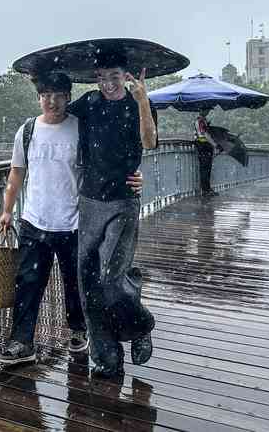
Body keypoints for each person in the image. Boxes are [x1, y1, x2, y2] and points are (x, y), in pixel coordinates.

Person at [0, 72, 143, 365]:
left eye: (58, 95)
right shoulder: (27, 131)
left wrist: (137, 178)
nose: (52, 101)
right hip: (34, 221)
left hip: (75, 222)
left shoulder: (81, 127)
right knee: (27, 283)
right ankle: (22, 342)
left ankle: (78, 330)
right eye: (46, 95)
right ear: (39, 98)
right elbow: (17, 172)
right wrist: (7, 210)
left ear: (68, 97)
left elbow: (110, 159)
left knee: (76, 283)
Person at [66, 62, 157, 378]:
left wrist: (144, 100)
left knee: (110, 277)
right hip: (89, 200)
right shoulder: (89, 102)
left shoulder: (138, 103)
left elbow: (149, 142)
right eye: (102, 78)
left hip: (123, 200)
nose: (108, 84)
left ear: (126, 77)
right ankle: (106, 356)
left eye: (114, 77)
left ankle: (140, 323)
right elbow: (57, 112)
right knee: (88, 280)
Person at [194, 109, 221, 197]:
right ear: (201, 111)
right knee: (205, 168)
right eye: (206, 111)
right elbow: (204, 134)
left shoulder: (203, 121)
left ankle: (207, 188)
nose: (207, 112)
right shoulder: (200, 121)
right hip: (203, 145)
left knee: (207, 168)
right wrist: (215, 144)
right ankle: (205, 190)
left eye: (207, 111)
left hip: (205, 146)